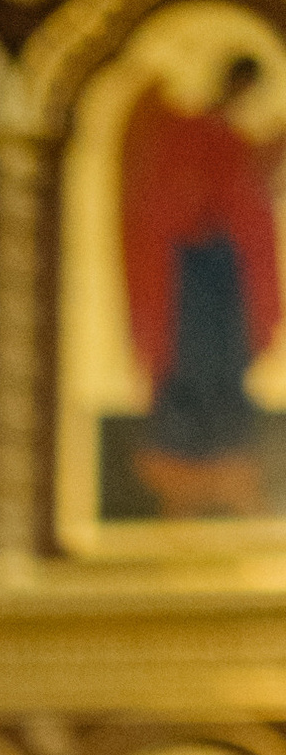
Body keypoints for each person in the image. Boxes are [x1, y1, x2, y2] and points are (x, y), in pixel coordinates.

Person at [120, 54, 285, 516]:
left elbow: (245, 194)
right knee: (190, 368)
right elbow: (181, 198)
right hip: (193, 278)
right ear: (231, 82)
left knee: (228, 369)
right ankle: (181, 473)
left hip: (228, 276)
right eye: (242, 86)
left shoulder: (230, 138)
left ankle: (228, 466)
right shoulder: (192, 131)